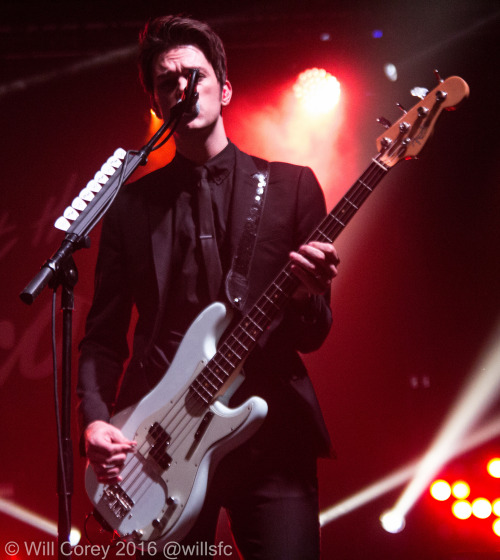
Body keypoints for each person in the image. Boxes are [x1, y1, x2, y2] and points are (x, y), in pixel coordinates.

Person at [77, 14, 340, 560]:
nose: (182, 88)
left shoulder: (291, 188)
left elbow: (313, 334)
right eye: (167, 82)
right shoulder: (130, 207)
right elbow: (103, 336)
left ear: (224, 89)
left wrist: (309, 295)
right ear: (156, 102)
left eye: (194, 76)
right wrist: (97, 418)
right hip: (161, 442)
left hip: (270, 440)